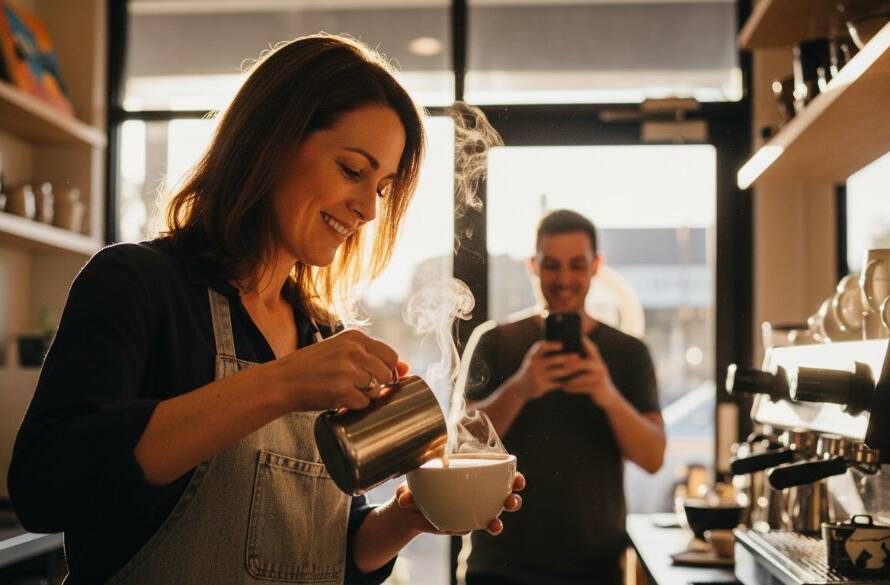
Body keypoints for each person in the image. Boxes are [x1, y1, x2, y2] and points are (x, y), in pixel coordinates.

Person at [7, 34, 524, 585]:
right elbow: (45, 487)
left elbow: (324, 548)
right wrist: (280, 385)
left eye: (383, 187)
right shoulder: (137, 285)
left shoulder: (322, 333)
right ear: (269, 143)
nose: (369, 209)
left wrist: (408, 518)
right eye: (353, 170)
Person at [457, 209, 665, 585]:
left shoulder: (628, 353)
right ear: (533, 265)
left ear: (595, 266)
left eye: (576, 265)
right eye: (552, 265)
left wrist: (606, 393)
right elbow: (461, 446)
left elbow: (652, 457)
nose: (564, 279)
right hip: (499, 564)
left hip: (595, 567)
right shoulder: (494, 340)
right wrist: (520, 388)